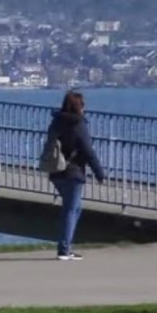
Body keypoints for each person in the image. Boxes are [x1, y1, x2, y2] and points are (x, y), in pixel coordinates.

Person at [45, 90, 105, 261]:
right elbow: (88, 150)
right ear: (79, 106)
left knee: (72, 208)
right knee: (72, 209)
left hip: (56, 170)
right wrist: (99, 172)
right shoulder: (78, 124)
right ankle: (64, 249)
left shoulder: (56, 122)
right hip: (74, 171)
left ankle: (65, 246)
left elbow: (50, 144)